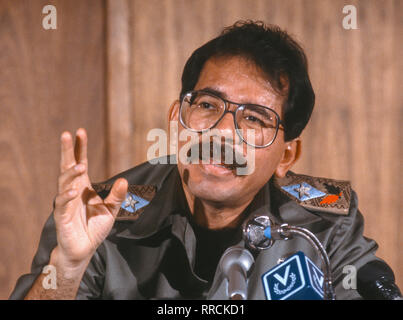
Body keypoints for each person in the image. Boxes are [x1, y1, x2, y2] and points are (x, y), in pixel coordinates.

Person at [9, 20, 397, 300]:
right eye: (208, 105)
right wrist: (68, 267)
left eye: (254, 118)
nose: (222, 132)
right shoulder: (100, 218)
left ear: (287, 154)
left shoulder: (324, 224)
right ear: (176, 119)